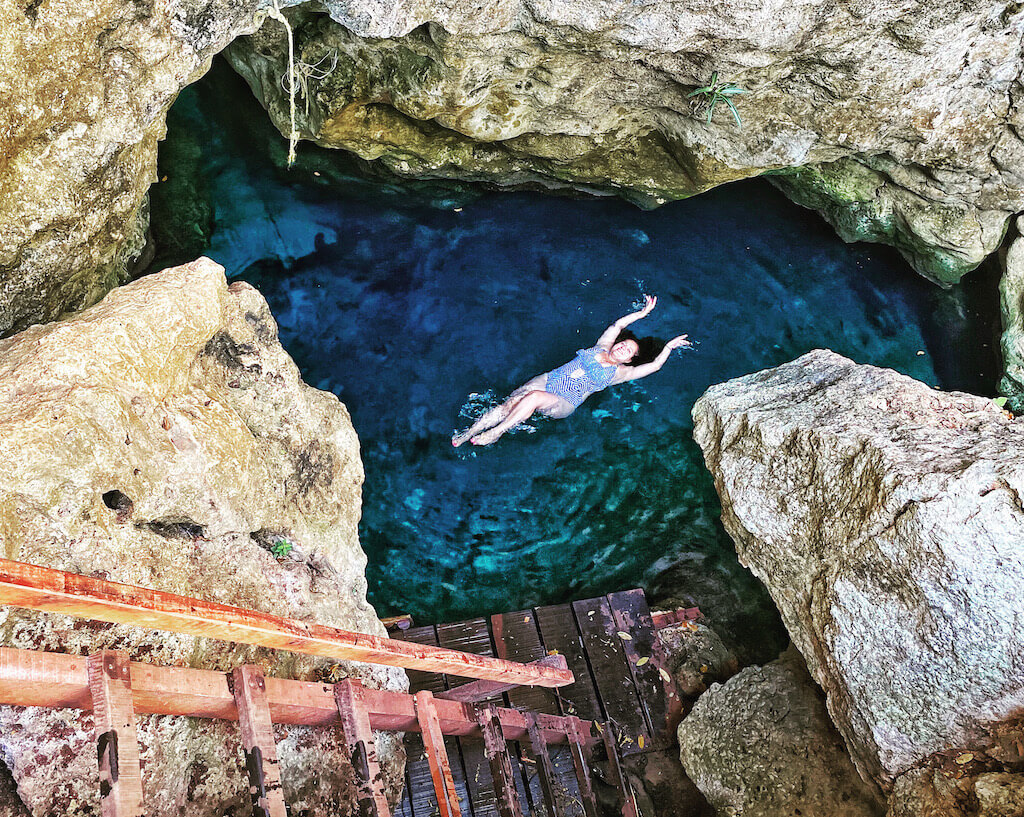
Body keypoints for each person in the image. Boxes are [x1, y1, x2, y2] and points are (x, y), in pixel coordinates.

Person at [452, 295, 692, 447]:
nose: (622, 348)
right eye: (623, 343)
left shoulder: (621, 374)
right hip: (547, 380)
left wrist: (669, 347)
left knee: (533, 398)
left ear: (630, 360)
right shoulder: (602, 346)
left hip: (564, 400)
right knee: (509, 404)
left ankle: (497, 432)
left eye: (628, 350)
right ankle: (468, 432)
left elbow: (655, 366)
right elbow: (617, 325)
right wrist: (642, 313)